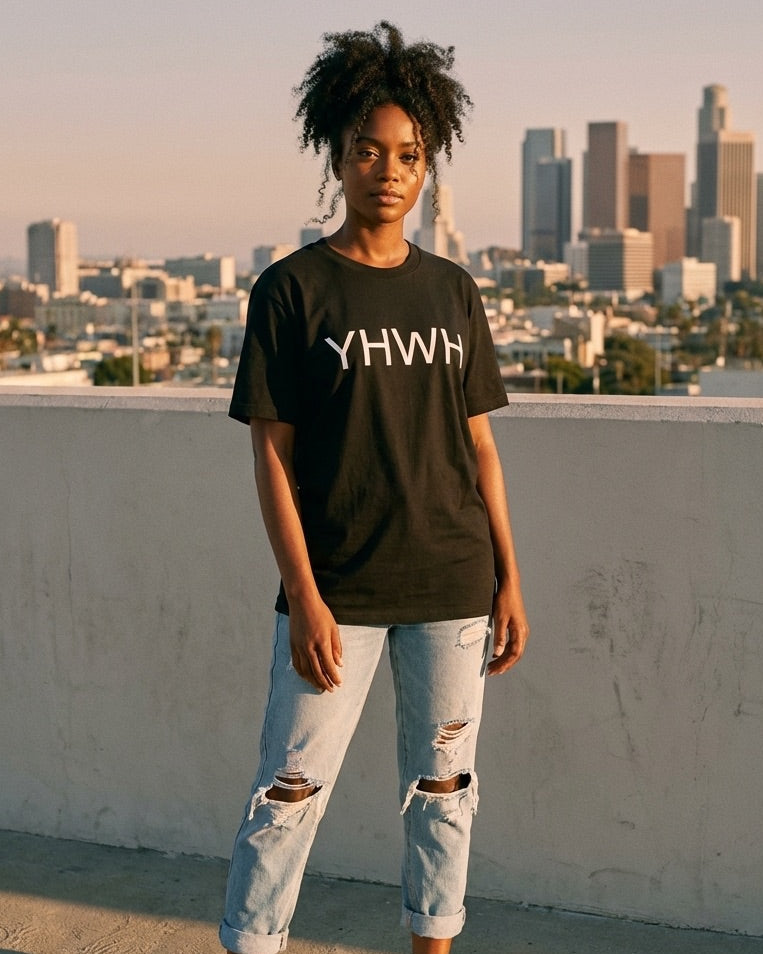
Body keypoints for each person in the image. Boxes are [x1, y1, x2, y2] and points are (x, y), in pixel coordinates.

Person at [220, 21, 529, 954]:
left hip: (450, 585)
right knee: (286, 793)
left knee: (444, 796)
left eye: (408, 154)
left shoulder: (451, 291)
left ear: (427, 166)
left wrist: (509, 576)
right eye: (368, 151)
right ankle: (250, 943)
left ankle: (432, 944)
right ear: (338, 156)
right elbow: (270, 459)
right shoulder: (291, 290)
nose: (388, 171)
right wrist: (306, 600)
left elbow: (478, 448)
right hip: (338, 592)